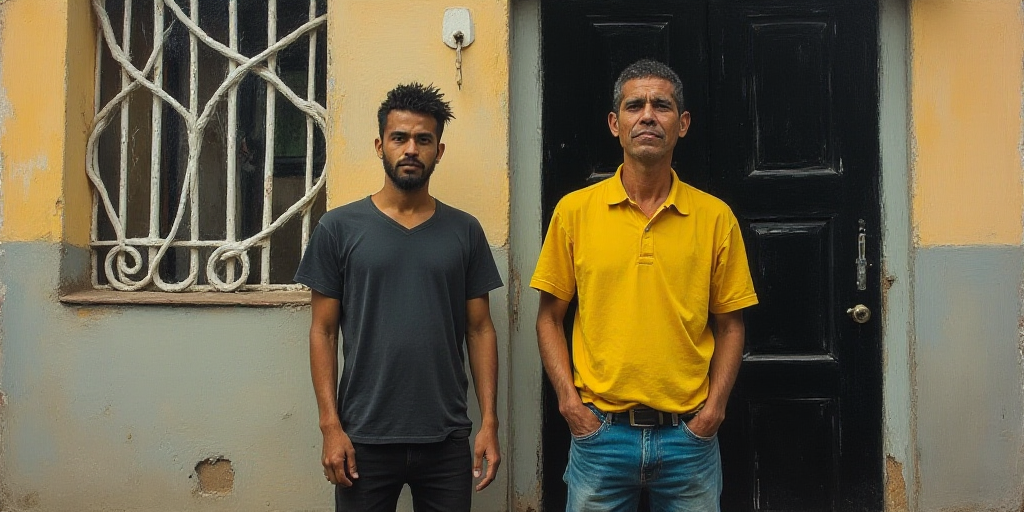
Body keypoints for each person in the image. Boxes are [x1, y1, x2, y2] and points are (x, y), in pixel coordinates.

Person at [531, 59, 759, 511]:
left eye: (663, 105)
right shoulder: (574, 213)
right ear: (616, 124)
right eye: (634, 105)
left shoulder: (715, 218)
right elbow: (548, 319)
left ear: (683, 123)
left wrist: (713, 412)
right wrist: (570, 408)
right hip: (600, 437)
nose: (648, 115)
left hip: (688, 440)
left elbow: (731, 325)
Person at [296, 82, 503, 512]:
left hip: (446, 438)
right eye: (400, 138)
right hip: (363, 439)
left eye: (423, 140)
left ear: (438, 151)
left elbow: (481, 329)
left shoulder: (465, 231)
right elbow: (323, 330)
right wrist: (330, 427)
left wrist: (489, 422)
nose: (411, 149)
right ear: (380, 145)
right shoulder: (338, 228)